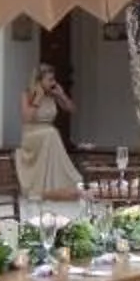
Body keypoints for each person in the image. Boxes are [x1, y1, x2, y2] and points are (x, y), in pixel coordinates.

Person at [16, 64, 81, 198]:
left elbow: (72, 109)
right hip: (32, 134)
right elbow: (26, 118)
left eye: (53, 79)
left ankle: (56, 185)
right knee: (52, 134)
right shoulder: (27, 94)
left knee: (51, 134)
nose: (53, 83)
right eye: (49, 79)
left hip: (48, 134)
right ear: (39, 81)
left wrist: (61, 95)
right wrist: (37, 100)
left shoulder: (53, 95)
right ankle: (45, 186)